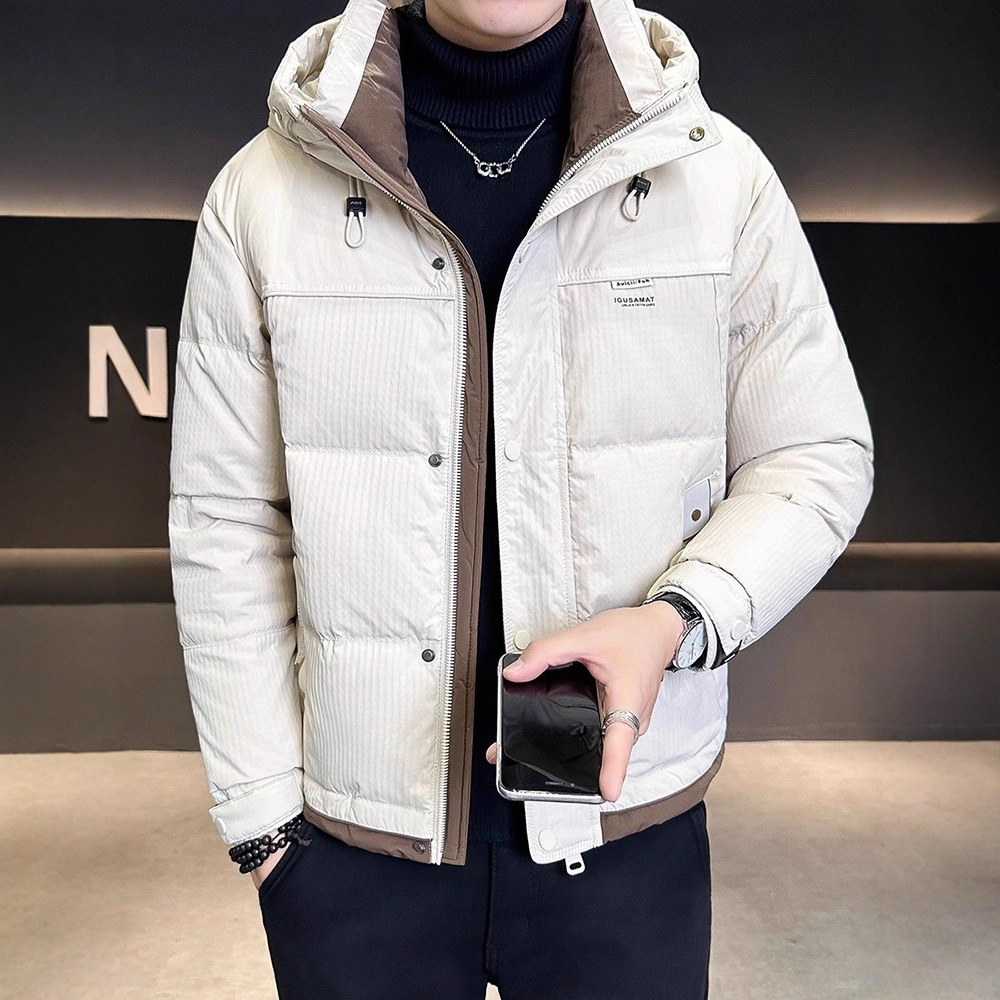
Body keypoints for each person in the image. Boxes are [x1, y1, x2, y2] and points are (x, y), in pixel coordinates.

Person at [167, 0, 875, 996]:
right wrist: (265, 830)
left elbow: (815, 454)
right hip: (352, 856)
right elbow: (226, 523)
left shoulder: (715, 176)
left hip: (626, 833)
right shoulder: (265, 192)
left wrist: (676, 619)